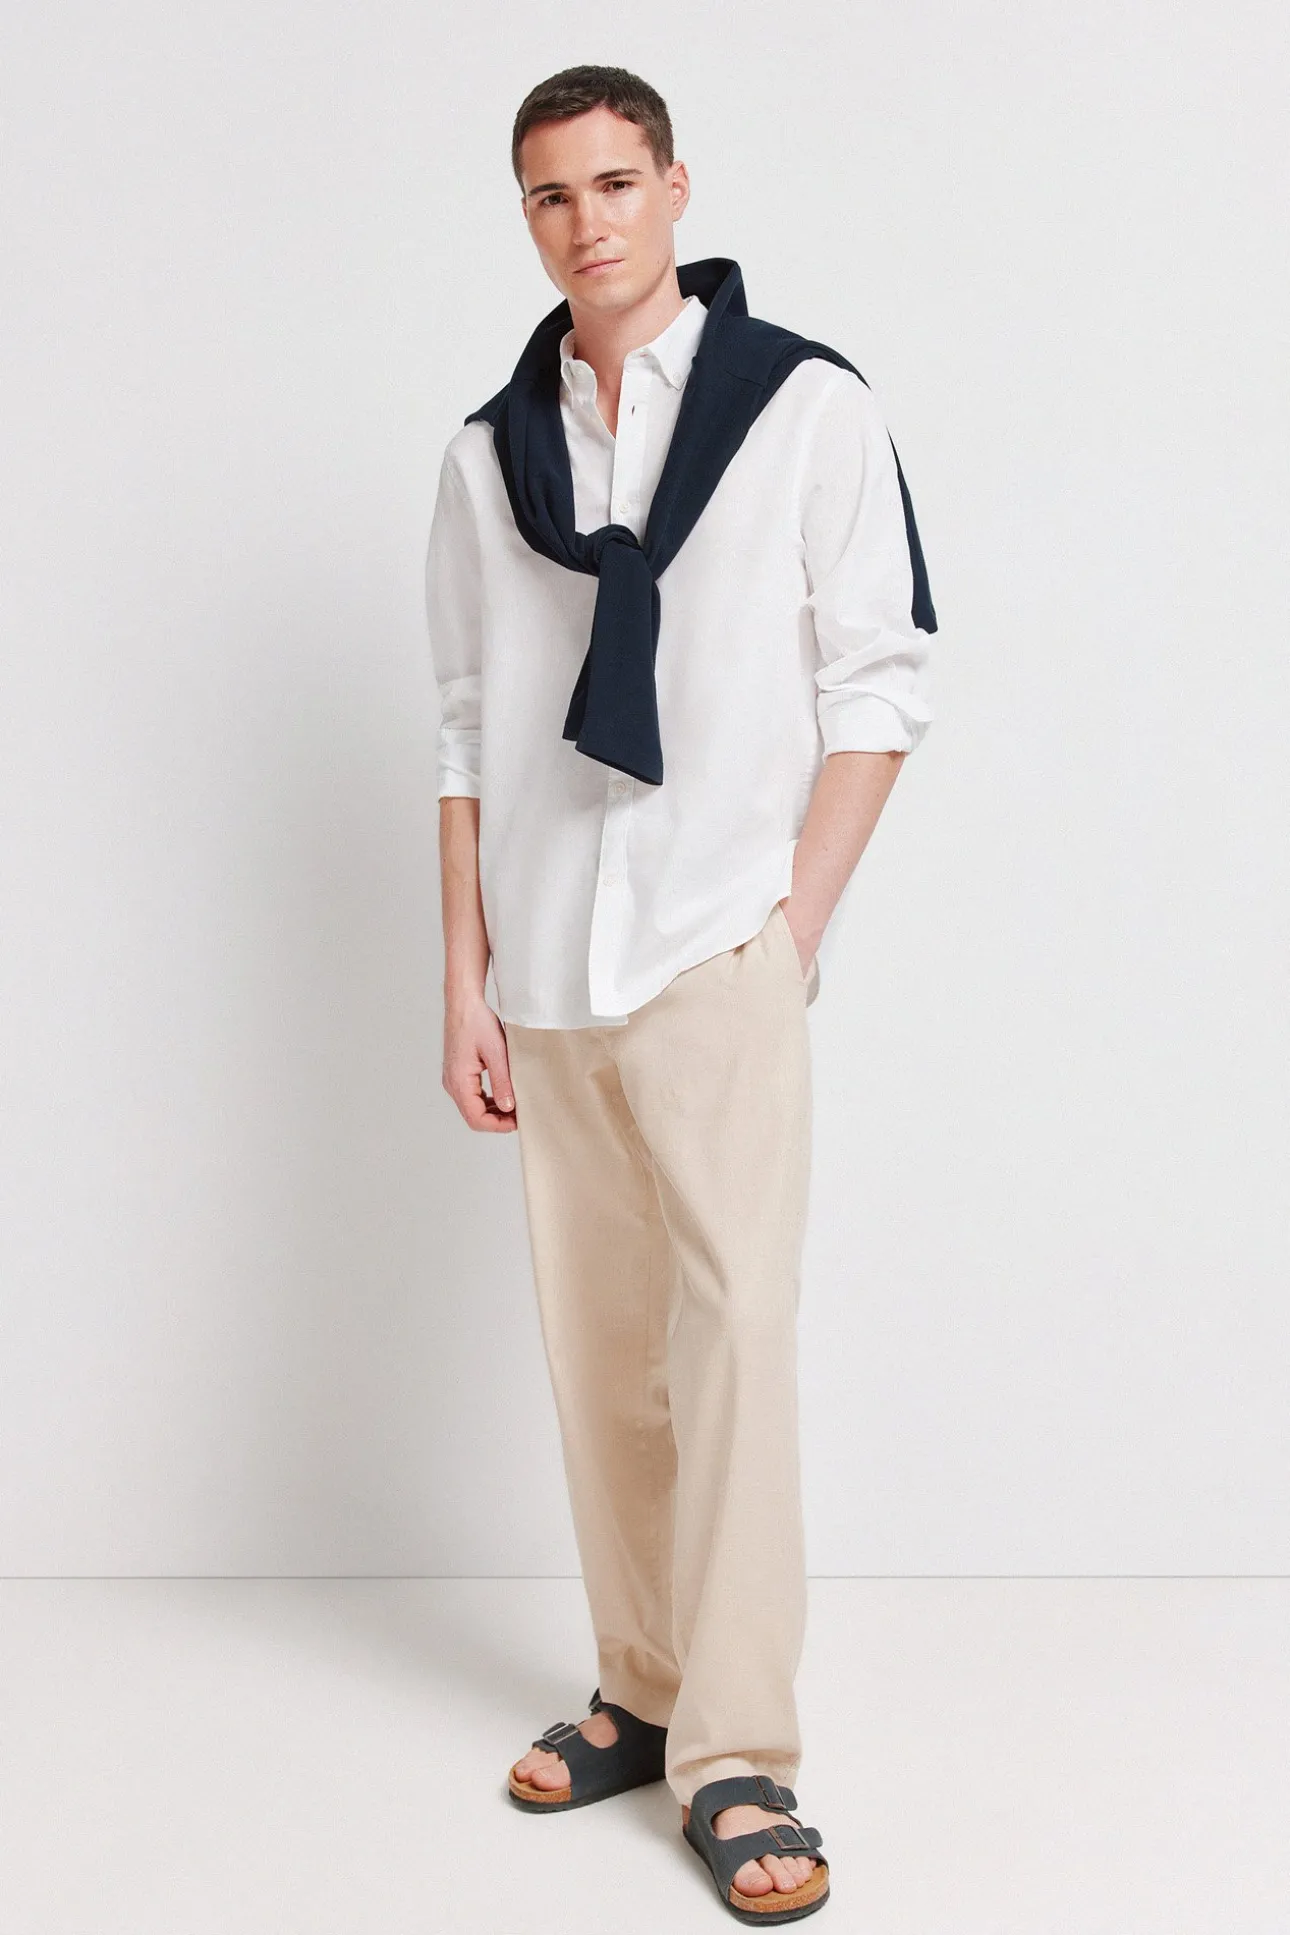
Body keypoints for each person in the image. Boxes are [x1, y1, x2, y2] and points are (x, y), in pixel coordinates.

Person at [425, 63, 936, 1924]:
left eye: (616, 182)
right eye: (551, 195)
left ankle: (736, 1753)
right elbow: (467, 728)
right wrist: (467, 978)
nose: (589, 222)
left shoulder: (803, 407)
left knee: (732, 1344)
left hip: (718, 943)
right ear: (528, 216)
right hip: (551, 956)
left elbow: (879, 680)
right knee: (601, 1354)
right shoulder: (489, 455)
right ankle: (638, 1689)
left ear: (676, 187)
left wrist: (788, 926)